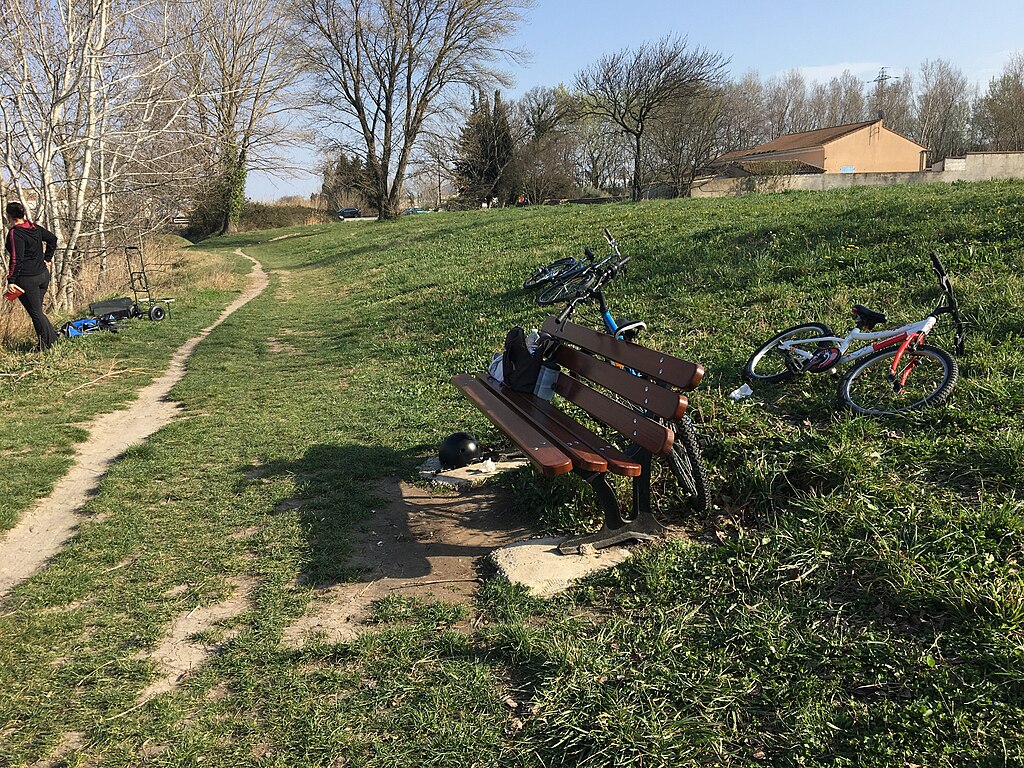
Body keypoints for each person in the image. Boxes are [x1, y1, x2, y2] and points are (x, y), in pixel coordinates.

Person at [4, 201, 58, 351]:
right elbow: (53, 239)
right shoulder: (33, 227)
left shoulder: (15, 233)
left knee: (36, 314)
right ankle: (51, 339)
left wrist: (11, 280)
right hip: (43, 276)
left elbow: (16, 259)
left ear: (10, 216)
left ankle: (46, 346)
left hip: (27, 279)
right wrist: (47, 258)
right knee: (38, 312)